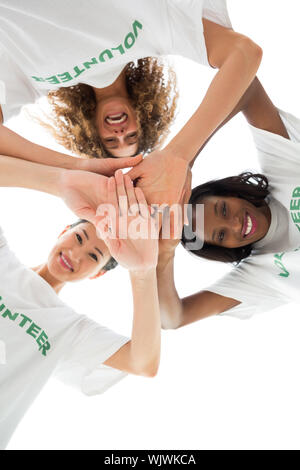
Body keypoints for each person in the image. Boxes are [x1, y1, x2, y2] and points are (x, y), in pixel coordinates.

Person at [0, 1, 262, 209]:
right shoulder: (159, 31)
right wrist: (177, 155)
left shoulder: (30, 83)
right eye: (132, 136)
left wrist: (74, 168)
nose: (120, 133)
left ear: (92, 133)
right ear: (144, 117)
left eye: (112, 142)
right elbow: (244, 53)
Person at [0, 165, 160, 450]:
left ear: (97, 273)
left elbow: (143, 362)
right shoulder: (3, 258)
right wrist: (62, 180)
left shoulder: (68, 329)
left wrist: (143, 271)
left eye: (93, 256)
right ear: (64, 231)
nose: (75, 255)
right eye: (79, 238)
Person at [156, 77, 300, 327]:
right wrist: (164, 256)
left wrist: (184, 160)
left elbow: (246, 86)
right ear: (225, 249)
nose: (235, 224)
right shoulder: (259, 274)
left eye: (222, 209)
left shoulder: (282, 167)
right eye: (221, 235)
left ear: (231, 193)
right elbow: (172, 318)